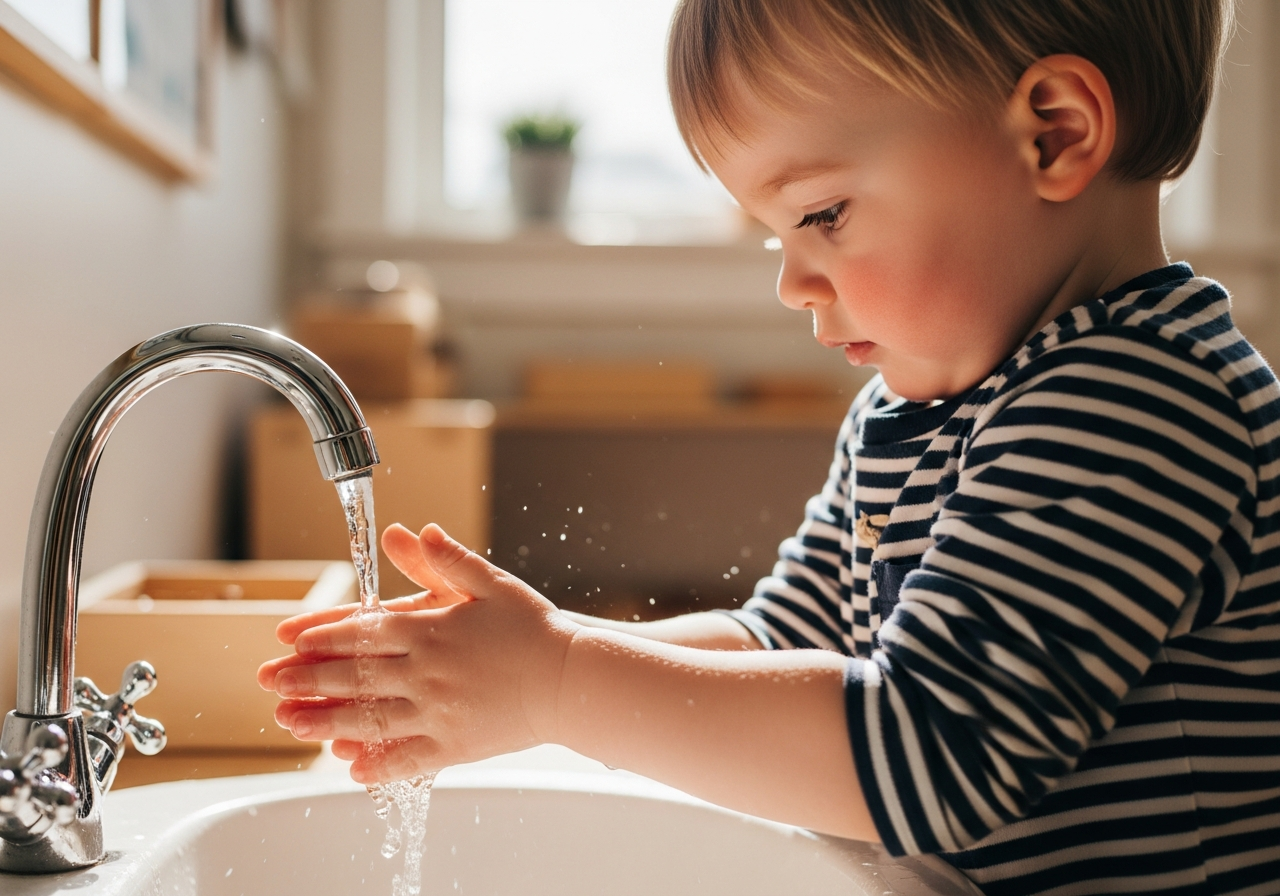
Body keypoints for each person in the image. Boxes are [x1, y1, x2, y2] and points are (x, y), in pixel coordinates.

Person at [260, 1, 1280, 893]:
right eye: (773, 235)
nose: (791, 282)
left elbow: (928, 753)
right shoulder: (914, 408)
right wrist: (520, 665)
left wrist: (557, 678)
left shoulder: (1137, 400)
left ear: (1052, 136)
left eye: (821, 214)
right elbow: (782, 643)